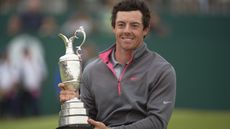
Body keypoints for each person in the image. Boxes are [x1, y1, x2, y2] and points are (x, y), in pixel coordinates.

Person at [59, 0, 176, 129]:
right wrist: (74, 104)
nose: (127, 31)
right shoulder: (92, 70)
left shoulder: (162, 70)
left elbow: (157, 123)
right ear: (113, 28)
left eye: (134, 25)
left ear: (146, 29)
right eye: (121, 25)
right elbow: (87, 120)